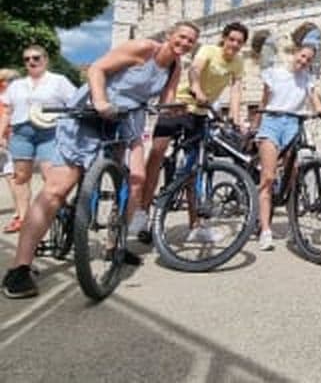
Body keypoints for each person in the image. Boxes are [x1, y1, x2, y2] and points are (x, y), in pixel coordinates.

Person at [1, 21, 199, 298]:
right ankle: (19, 268)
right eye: (181, 37)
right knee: (57, 189)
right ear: (169, 35)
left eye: (191, 41)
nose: (185, 43)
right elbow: (97, 69)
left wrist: (181, 110)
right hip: (94, 111)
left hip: (127, 120)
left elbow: (165, 100)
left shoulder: (175, 67)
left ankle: (114, 243)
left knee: (137, 180)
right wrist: (101, 100)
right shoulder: (142, 48)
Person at [138, 22, 248, 243]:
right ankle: (143, 214)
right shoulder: (208, 50)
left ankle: (195, 224)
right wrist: (196, 88)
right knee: (157, 155)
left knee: (194, 168)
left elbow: (236, 91)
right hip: (179, 105)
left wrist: (236, 120)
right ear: (224, 38)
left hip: (201, 112)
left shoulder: (238, 62)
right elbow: (195, 69)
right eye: (232, 39)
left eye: (239, 41)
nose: (234, 45)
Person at [254, 44, 321, 251]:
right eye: (302, 56)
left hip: (293, 123)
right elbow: (264, 100)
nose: (303, 61)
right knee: (267, 177)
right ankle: (265, 230)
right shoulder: (274, 73)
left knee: (293, 178)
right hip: (272, 122)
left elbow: (315, 100)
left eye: (309, 60)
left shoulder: (307, 79)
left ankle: (294, 228)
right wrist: (255, 125)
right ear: (295, 53)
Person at [0, 47, 76, 234]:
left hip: (49, 132)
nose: (31, 62)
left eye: (36, 58)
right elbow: (8, 111)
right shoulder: (17, 85)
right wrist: (1, 133)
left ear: (45, 59)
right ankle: (24, 219)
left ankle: (58, 211)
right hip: (21, 133)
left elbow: (74, 103)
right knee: (21, 177)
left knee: (50, 176)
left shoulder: (59, 81)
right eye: (27, 59)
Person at [0, 69, 21, 230]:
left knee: (11, 177)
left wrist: (3, 136)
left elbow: (8, 119)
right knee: (11, 176)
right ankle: (19, 212)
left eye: (2, 81)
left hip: (7, 140)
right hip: (7, 139)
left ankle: (20, 213)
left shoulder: (9, 98)